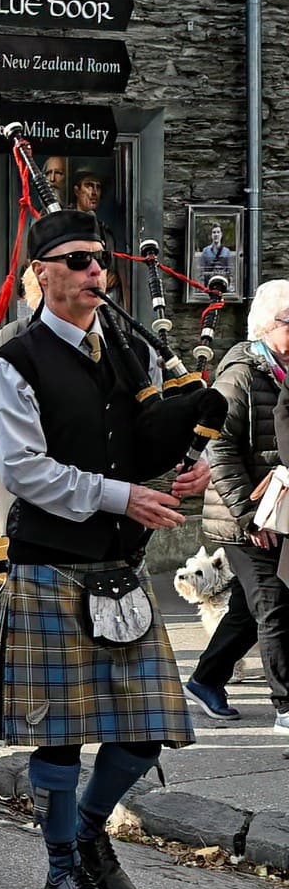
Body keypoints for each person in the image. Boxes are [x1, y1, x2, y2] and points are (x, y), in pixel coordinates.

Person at [0, 207, 212, 889]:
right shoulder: (14, 361)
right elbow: (24, 471)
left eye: (99, 260)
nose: (92, 272)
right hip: (52, 564)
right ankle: (60, 872)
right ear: (40, 273)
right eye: (75, 261)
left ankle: (87, 829)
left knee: (143, 729)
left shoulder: (123, 353)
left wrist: (177, 474)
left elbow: (136, 443)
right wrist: (123, 496)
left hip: (118, 564)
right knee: (61, 737)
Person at [181, 281, 289, 730]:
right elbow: (220, 450)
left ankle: (206, 679)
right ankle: (287, 706)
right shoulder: (241, 373)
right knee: (276, 605)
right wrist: (248, 516)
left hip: (277, 511)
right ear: (269, 324)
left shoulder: (281, 369)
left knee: (248, 608)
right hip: (244, 518)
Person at [197, 222, 239, 293]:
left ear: (221, 234)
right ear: (211, 235)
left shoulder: (226, 252)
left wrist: (231, 287)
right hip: (209, 285)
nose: (216, 234)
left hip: (222, 284)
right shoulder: (205, 251)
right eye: (214, 232)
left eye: (218, 232)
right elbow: (201, 272)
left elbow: (230, 272)